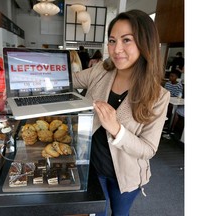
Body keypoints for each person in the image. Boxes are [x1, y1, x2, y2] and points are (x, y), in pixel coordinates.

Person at [72, 10, 170, 216]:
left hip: (126, 175)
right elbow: (69, 80)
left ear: (145, 43)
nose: (117, 49)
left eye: (127, 40)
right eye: (112, 40)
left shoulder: (158, 95)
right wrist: (29, 81)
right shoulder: (101, 71)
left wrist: (117, 129)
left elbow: (148, 149)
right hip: (91, 169)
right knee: (93, 212)